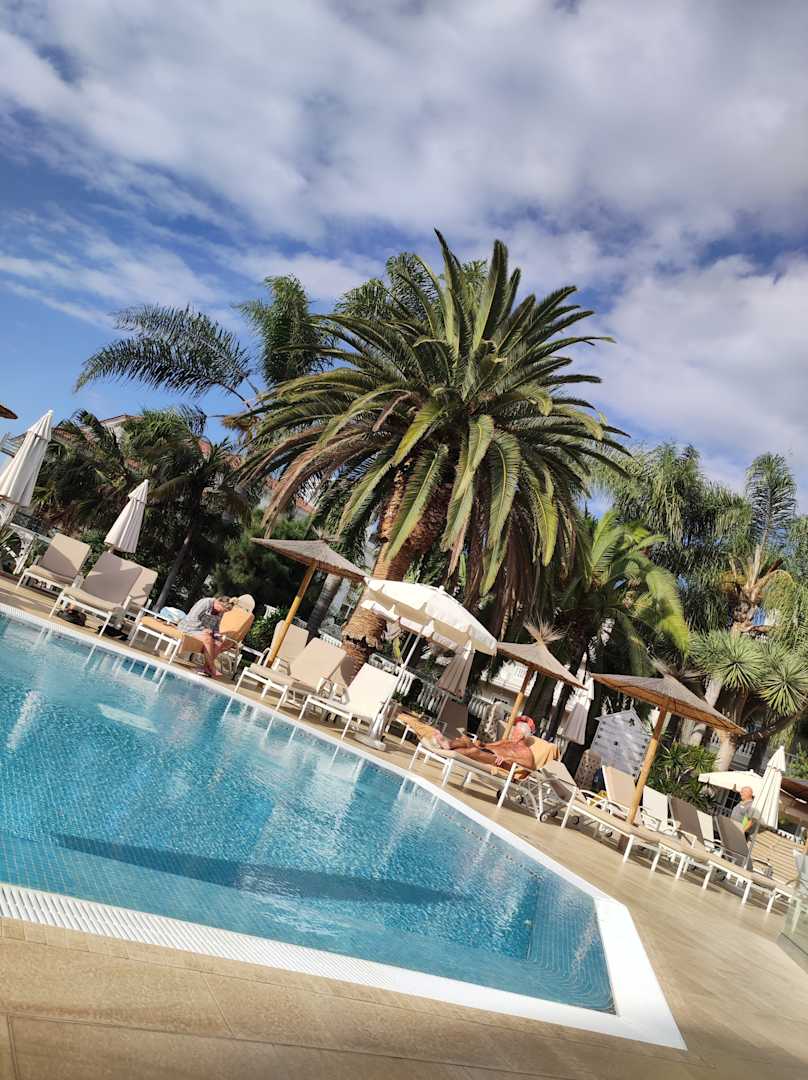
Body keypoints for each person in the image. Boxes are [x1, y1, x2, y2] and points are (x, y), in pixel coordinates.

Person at [434, 717, 537, 771]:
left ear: (521, 735)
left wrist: (508, 758)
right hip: (486, 751)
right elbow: (491, 745)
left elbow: (529, 766)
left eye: (515, 732)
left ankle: (445, 754)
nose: (512, 733)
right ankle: (447, 745)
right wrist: (482, 744)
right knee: (466, 739)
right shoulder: (506, 741)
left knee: (474, 751)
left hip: (497, 762)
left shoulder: (525, 751)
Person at [179, 595, 235, 677]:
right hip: (190, 627)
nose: (222, 612)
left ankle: (205, 668)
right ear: (218, 602)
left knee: (219, 643)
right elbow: (192, 618)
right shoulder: (205, 603)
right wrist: (203, 629)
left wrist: (217, 635)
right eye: (222, 609)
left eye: (224, 611)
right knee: (208, 639)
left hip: (203, 632)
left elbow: (216, 626)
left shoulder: (220, 611)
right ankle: (212, 667)